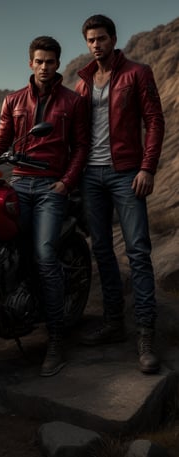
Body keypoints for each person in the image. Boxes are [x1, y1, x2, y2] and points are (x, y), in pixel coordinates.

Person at [0, 35, 88, 376]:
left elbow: (80, 148)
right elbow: (1, 140)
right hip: (19, 183)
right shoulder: (13, 100)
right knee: (4, 246)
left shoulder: (72, 102)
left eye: (51, 62)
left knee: (44, 255)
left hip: (49, 187)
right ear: (30, 63)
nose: (45, 67)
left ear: (59, 64)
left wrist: (65, 183)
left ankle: (56, 340)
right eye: (39, 61)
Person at [75, 15, 165, 374]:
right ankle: (114, 323)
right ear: (87, 44)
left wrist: (147, 167)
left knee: (138, 251)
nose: (97, 44)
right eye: (91, 40)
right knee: (101, 250)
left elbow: (155, 120)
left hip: (126, 172)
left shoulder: (137, 73)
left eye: (102, 38)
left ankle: (145, 334)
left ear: (113, 39)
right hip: (90, 176)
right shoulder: (82, 82)